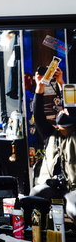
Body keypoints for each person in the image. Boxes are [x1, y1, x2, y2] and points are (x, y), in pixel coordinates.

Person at [29, 67, 76, 219]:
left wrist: (62, 83)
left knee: (72, 207)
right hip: (53, 186)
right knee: (35, 196)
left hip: (73, 188)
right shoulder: (50, 135)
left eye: (66, 111)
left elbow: (72, 108)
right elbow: (38, 114)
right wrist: (39, 88)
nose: (63, 111)